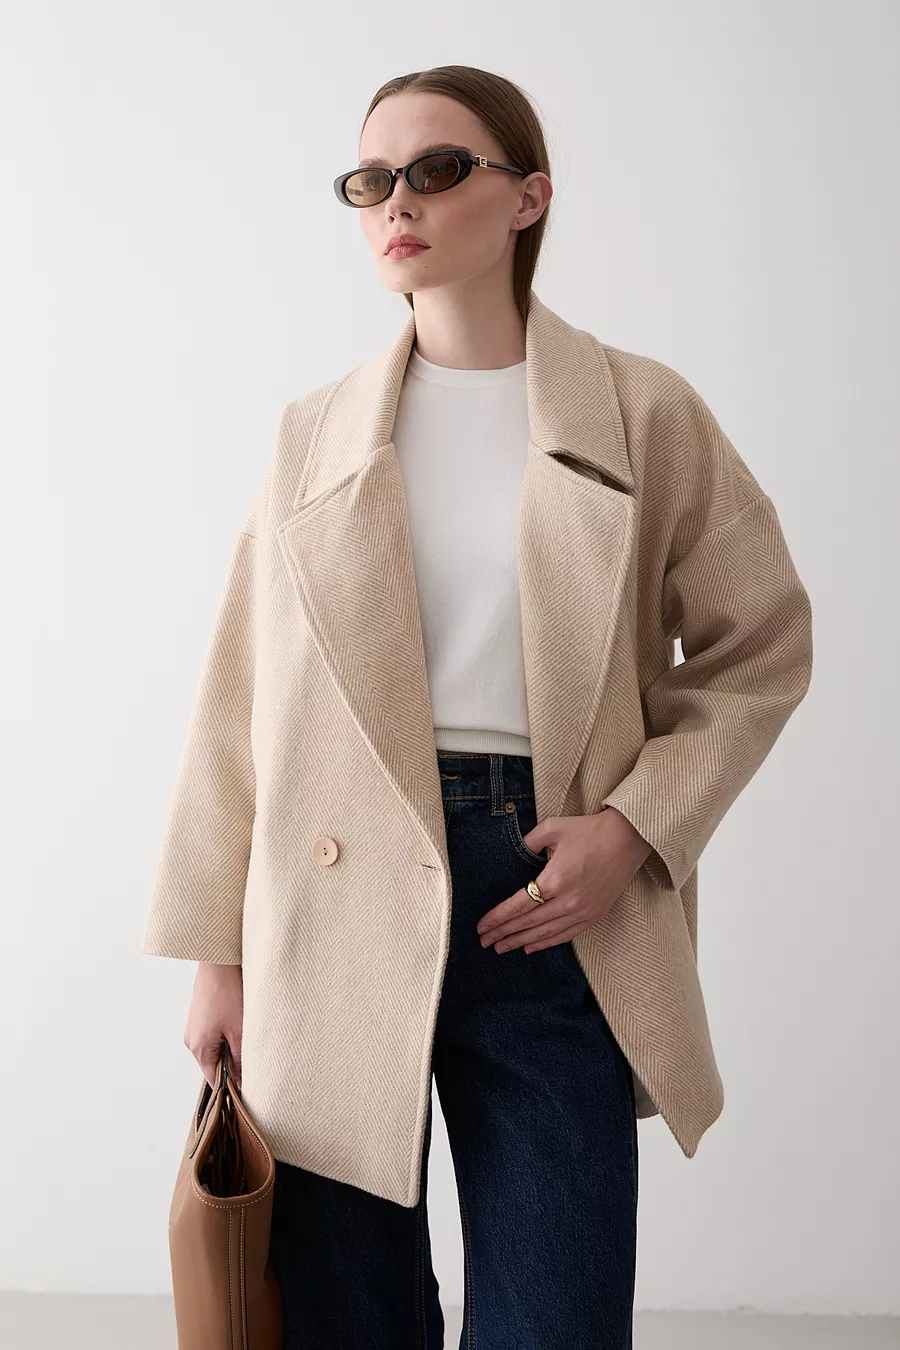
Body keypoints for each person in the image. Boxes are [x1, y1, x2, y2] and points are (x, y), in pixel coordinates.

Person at [141, 63, 813, 1349]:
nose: (398, 201)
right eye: (371, 180)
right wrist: (218, 958)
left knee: (557, 1314)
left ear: (528, 197)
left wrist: (635, 827)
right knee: (344, 1313)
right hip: (329, 899)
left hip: (547, 891)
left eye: (438, 169)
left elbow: (760, 642)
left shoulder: (644, 413)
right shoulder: (313, 433)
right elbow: (240, 702)